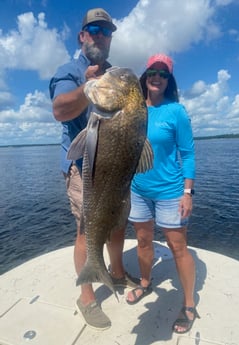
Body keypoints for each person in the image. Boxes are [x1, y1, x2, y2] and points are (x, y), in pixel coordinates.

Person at [49, 8, 139, 331]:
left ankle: (115, 272)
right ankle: (86, 294)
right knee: (87, 230)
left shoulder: (116, 75)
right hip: (82, 166)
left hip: (116, 167)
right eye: (95, 29)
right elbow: (60, 110)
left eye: (107, 30)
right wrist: (88, 90)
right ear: (82, 37)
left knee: (117, 225)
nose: (102, 35)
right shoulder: (70, 71)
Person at [126, 53, 200, 334]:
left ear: (169, 80)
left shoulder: (176, 111)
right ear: (145, 77)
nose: (157, 76)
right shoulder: (133, 110)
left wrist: (188, 192)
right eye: (152, 71)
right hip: (138, 190)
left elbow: (188, 154)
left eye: (164, 73)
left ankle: (190, 303)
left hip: (170, 191)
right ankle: (145, 283)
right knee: (143, 243)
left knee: (177, 247)